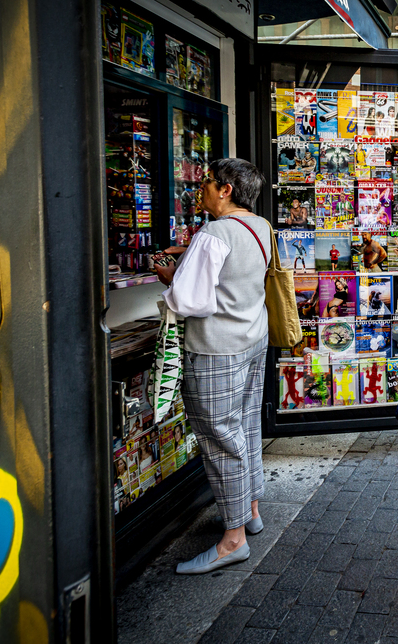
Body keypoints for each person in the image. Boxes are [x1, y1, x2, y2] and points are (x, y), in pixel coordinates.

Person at [154, 158, 270, 575]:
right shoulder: (260, 226)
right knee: (245, 426)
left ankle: (233, 540)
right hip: (253, 339)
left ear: (225, 190)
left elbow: (190, 300)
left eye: (207, 181)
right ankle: (251, 509)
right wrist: (190, 256)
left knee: (220, 438)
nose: (200, 187)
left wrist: (172, 276)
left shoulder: (213, 233)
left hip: (217, 349)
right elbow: (237, 272)